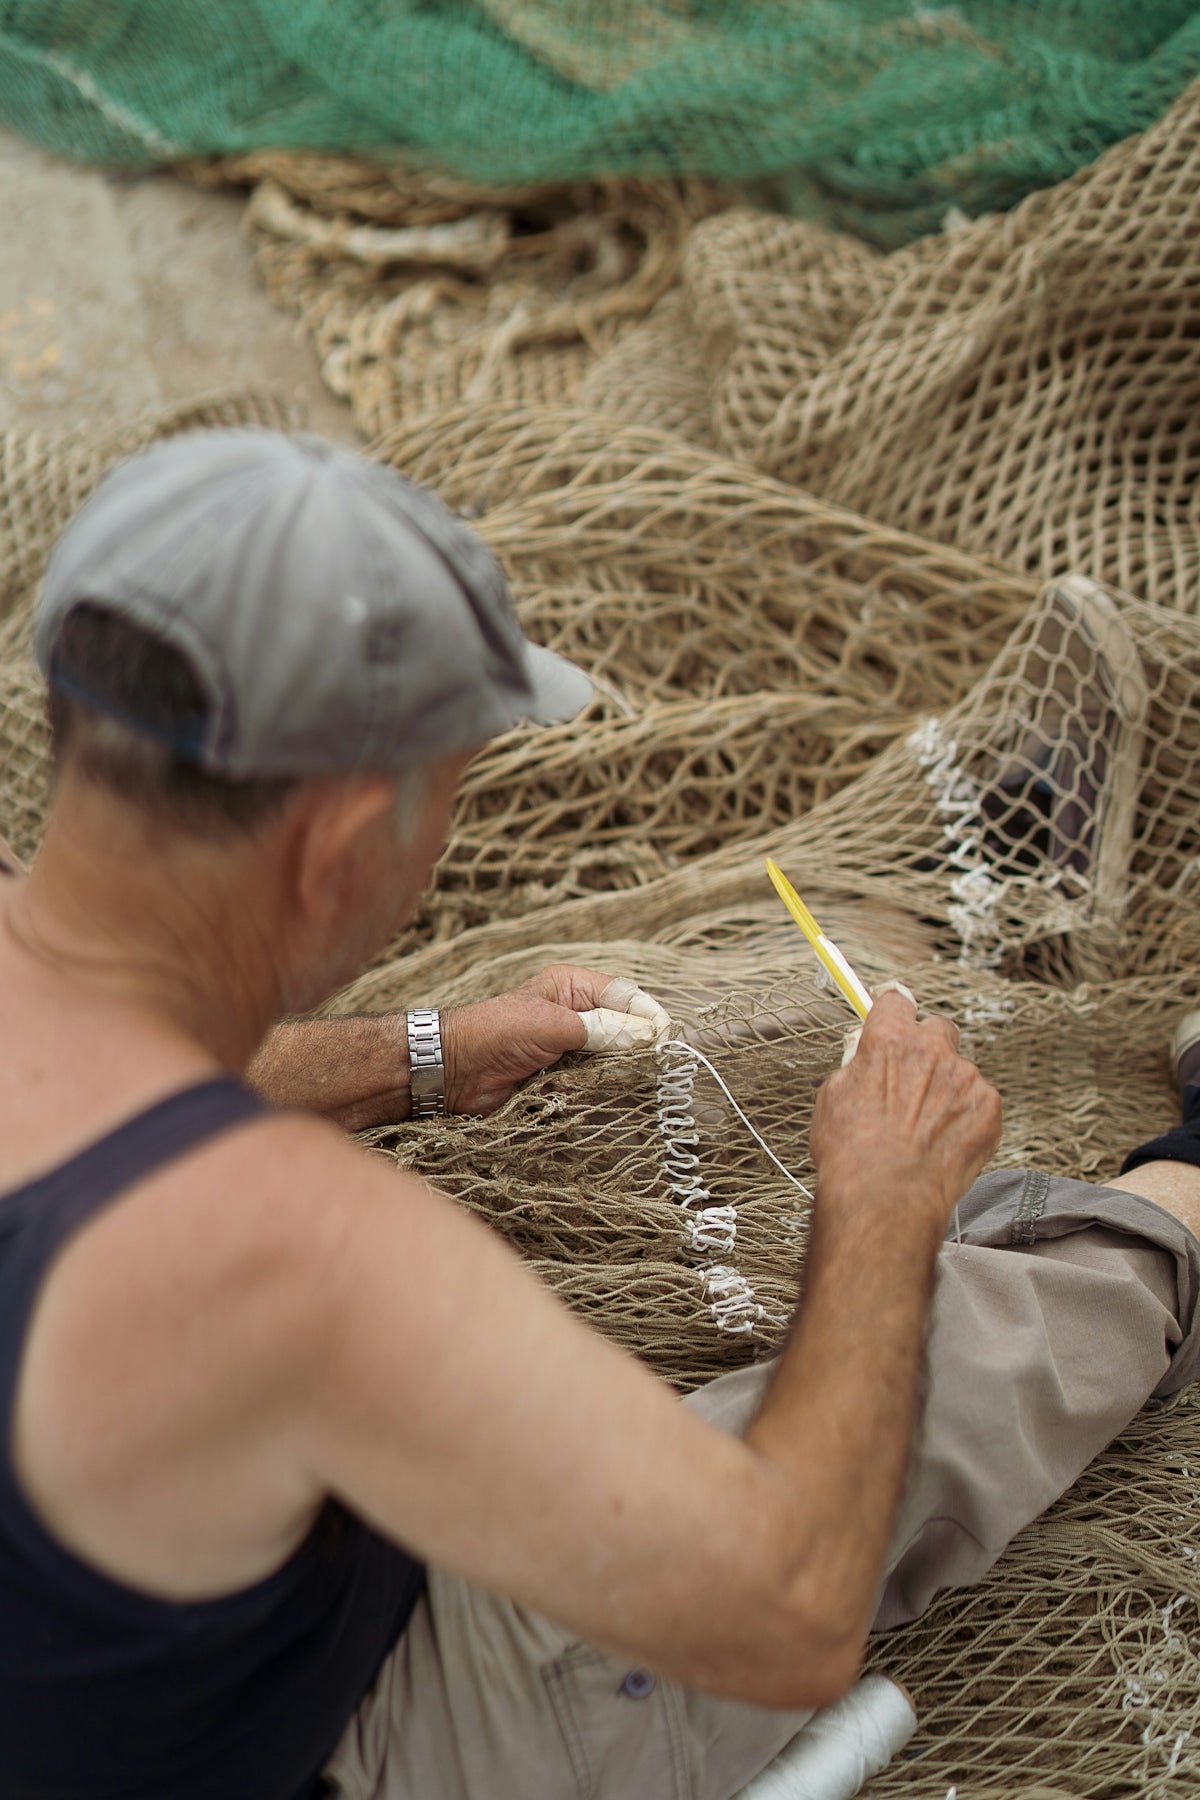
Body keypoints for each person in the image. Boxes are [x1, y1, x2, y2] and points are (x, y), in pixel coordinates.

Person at [1, 429, 1197, 1800]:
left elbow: (111, 1075)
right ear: (336, 847)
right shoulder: (293, 1250)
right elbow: (789, 1606)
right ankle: (1176, 1202)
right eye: (452, 792)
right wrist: (882, 1204)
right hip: (315, 1750)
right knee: (886, 1374)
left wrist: (429, 1054)